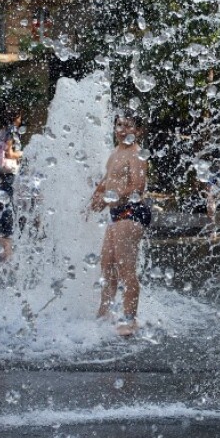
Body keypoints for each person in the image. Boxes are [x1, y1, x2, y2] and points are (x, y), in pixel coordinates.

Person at [90, 113, 150, 336]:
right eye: (119, 124)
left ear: (138, 131)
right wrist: (95, 196)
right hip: (117, 213)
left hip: (133, 212)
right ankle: (103, 312)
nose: (122, 129)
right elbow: (107, 180)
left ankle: (129, 319)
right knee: (107, 265)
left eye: (128, 125)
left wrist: (109, 198)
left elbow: (137, 187)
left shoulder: (136, 155)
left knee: (125, 269)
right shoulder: (115, 153)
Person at [0, 112, 24, 260]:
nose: (21, 120)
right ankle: (7, 248)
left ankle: (3, 245)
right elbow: (9, 153)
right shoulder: (10, 131)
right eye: (19, 117)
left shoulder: (1, 131)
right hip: (8, 172)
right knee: (9, 206)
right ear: (15, 118)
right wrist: (23, 153)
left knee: (4, 205)